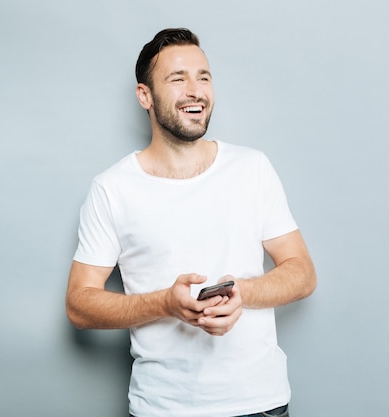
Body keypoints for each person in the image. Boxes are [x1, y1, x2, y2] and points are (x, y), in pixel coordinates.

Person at [65, 28, 316, 417]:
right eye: (178, 79)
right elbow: (79, 306)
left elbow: (302, 274)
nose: (195, 89)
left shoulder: (253, 168)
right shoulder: (112, 189)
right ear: (144, 96)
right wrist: (165, 303)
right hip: (162, 408)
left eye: (203, 77)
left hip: (261, 404)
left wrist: (242, 294)